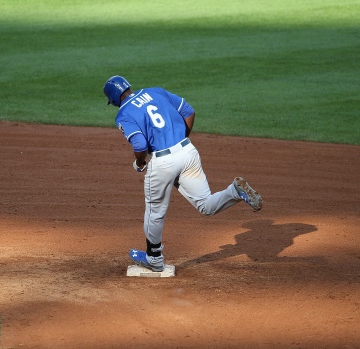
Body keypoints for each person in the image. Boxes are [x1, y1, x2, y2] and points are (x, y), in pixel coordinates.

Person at [103, 75, 262, 272]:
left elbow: (140, 144)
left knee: (155, 211)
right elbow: (189, 111)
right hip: (188, 151)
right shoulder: (156, 91)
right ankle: (234, 192)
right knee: (205, 205)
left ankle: (154, 258)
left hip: (163, 162)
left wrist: (140, 162)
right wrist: (180, 142)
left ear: (114, 99)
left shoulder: (124, 114)